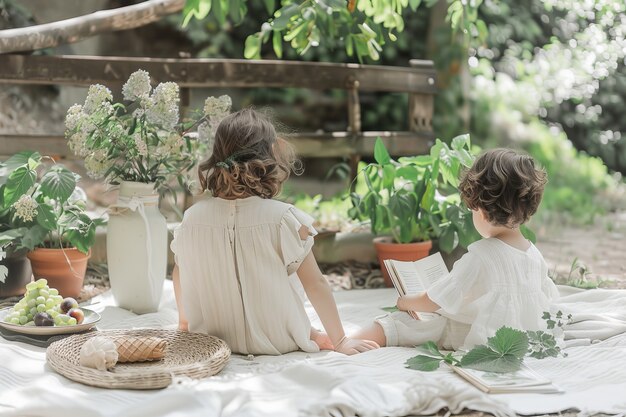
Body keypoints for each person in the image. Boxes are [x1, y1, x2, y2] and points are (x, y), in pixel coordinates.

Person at [170, 108, 379, 355]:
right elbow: (316, 285)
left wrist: (185, 324)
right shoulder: (283, 219)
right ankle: (308, 331)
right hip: (279, 340)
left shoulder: (192, 219)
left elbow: (179, 275)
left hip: (215, 338)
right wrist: (341, 340)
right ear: (269, 157)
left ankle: (306, 331)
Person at [352, 148, 559, 350]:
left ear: (482, 212)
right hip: (526, 338)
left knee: (415, 321)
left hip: (486, 337)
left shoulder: (482, 254)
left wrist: (404, 302)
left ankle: (348, 340)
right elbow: (542, 299)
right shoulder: (534, 254)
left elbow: (433, 300)